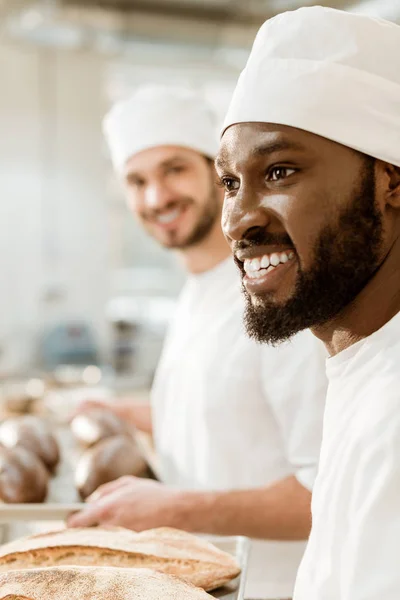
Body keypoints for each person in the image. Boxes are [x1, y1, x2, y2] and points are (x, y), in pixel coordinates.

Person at [68, 85, 327, 599]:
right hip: (201, 581)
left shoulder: (279, 297)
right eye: (136, 181)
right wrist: (129, 412)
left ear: (221, 172)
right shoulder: (195, 292)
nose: (156, 197)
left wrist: (178, 508)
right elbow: (225, 414)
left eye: (174, 169)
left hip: (276, 587)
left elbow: (325, 492)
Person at [216, 6, 400, 599]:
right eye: (229, 183)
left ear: (390, 180)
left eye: (280, 171)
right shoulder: (365, 368)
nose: (239, 220)